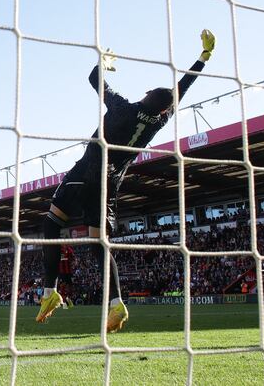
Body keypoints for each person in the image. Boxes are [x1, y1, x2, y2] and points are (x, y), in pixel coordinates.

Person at [37, 29, 216, 331]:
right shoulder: (157, 122)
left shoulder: (123, 108)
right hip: (112, 184)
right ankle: (116, 302)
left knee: (51, 224)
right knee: (98, 243)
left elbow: (95, 80)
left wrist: (102, 63)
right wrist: (202, 60)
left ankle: (49, 291)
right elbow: (180, 91)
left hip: (87, 172)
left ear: (146, 95)